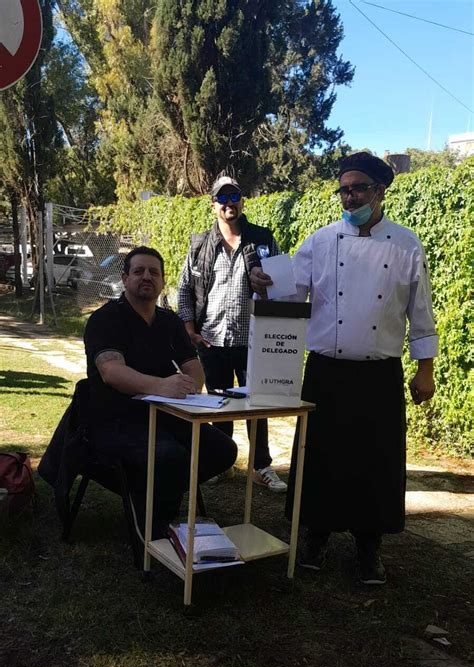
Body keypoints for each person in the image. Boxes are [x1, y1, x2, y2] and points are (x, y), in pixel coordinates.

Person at [251, 152, 437, 585]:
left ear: (380, 191)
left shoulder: (407, 245)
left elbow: (421, 314)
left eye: (358, 188)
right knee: (320, 459)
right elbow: (289, 291)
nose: (349, 197)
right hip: (326, 373)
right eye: (344, 189)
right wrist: (263, 280)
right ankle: (315, 537)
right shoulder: (320, 241)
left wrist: (424, 369)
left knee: (377, 464)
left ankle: (369, 549)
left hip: (379, 374)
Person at [83, 246, 237, 538]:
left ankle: (157, 494)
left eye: (154, 272)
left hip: (167, 415)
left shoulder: (170, 322)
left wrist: (191, 388)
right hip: (116, 419)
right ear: (125, 279)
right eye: (139, 271)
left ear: (163, 281)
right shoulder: (105, 319)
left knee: (223, 450)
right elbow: (111, 372)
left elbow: (193, 366)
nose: (146, 277)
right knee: (170, 456)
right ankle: (153, 527)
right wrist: (161, 385)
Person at [177, 174, 287, 493]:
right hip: (211, 339)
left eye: (234, 197)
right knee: (219, 405)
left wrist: (267, 285)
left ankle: (262, 466)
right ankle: (221, 463)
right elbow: (185, 289)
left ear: (242, 201)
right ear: (213, 206)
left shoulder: (263, 240)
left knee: (258, 404)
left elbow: (280, 288)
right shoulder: (200, 244)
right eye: (222, 198)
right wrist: (189, 331)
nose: (229, 204)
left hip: (253, 340)